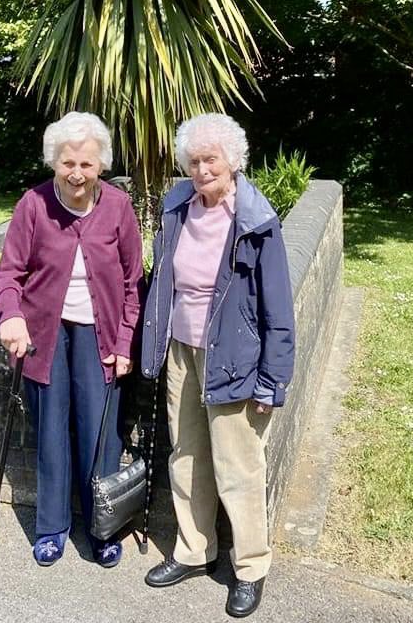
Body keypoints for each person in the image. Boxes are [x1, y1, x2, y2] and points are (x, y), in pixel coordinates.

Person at [141, 113, 295, 618]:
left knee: (238, 466)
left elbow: (278, 308)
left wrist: (273, 380)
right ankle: (194, 550)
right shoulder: (176, 207)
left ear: (232, 162)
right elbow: (164, 280)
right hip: (182, 351)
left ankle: (250, 566)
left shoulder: (255, 220)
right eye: (194, 160)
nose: (202, 168)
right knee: (185, 455)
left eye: (211, 158)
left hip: (235, 357)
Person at [0, 111, 143, 569]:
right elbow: (9, 273)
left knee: (101, 435)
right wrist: (11, 316)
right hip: (45, 336)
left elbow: (134, 283)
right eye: (67, 164)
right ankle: (52, 527)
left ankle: (104, 527)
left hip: (101, 336)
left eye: (86, 164)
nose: (76, 174)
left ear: (101, 166)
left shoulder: (118, 206)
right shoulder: (33, 205)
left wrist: (124, 343)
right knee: (52, 434)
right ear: (53, 162)